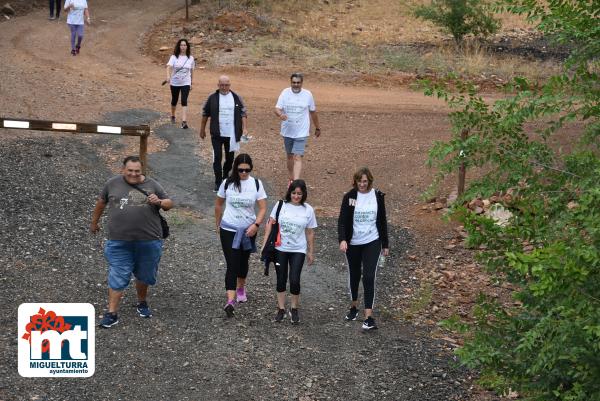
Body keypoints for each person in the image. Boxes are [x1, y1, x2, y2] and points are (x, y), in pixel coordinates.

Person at [91, 156, 173, 328]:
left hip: (149, 240)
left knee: (145, 274)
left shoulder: (153, 184)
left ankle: (142, 302)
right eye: (130, 170)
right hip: (119, 241)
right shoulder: (112, 183)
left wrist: (158, 201)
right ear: (123, 169)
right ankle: (112, 313)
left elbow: (169, 203)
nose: (134, 174)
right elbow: (101, 202)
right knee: (118, 274)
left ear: (141, 170)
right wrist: (94, 223)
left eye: (137, 171)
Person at [215, 153, 267, 318]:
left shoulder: (256, 184)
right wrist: (218, 224)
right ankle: (230, 301)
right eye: (240, 170)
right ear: (235, 168)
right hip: (228, 228)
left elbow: (263, 208)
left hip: (248, 229)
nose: (244, 173)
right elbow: (218, 204)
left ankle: (241, 288)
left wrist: (256, 225)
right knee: (232, 263)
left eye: (247, 170)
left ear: (251, 168)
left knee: (243, 261)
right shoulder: (227, 184)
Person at [338, 167, 389, 330]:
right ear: (355, 181)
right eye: (360, 181)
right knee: (354, 274)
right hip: (353, 242)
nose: (362, 184)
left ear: (370, 181)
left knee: (368, 276)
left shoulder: (377, 196)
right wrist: (342, 239)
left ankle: (369, 317)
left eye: (365, 181)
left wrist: (385, 244)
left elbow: (382, 221)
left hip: (372, 241)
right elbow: (342, 220)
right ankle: (354, 307)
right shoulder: (350, 197)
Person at [262, 180, 317, 324]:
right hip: (280, 248)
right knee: (281, 279)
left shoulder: (308, 210)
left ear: (304, 194)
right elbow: (270, 224)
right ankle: (281, 308)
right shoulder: (281, 205)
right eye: (294, 193)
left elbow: (310, 232)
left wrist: (311, 252)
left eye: (299, 193)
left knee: (294, 279)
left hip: (298, 249)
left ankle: (294, 308)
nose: (296, 196)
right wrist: (264, 244)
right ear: (289, 193)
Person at [200, 75, 249, 192]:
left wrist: (245, 128)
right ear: (218, 85)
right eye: (222, 85)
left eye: (226, 85)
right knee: (217, 157)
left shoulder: (236, 97)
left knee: (230, 159)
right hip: (217, 134)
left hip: (232, 134)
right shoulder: (212, 97)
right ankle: (218, 182)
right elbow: (205, 113)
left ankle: (225, 176)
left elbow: (243, 113)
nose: (224, 87)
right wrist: (202, 129)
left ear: (229, 85)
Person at [274, 73, 321, 184]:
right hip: (288, 131)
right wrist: (280, 115)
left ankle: (296, 182)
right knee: (290, 156)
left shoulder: (308, 94)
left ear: (301, 83)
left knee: (297, 156)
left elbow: (313, 112)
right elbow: (276, 108)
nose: (296, 85)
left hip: (302, 131)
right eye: (294, 82)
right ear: (291, 82)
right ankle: (291, 178)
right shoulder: (285, 93)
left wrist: (317, 127)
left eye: (298, 83)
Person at [166, 39, 195, 129]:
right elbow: (168, 67)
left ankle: (184, 121)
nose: (183, 47)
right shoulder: (174, 57)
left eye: (185, 45)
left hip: (185, 82)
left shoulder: (191, 58)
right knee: (174, 100)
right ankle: (173, 115)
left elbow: (192, 71)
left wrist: (191, 82)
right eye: (181, 45)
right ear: (179, 46)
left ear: (187, 47)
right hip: (175, 82)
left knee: (184, 100)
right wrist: (168, 76)